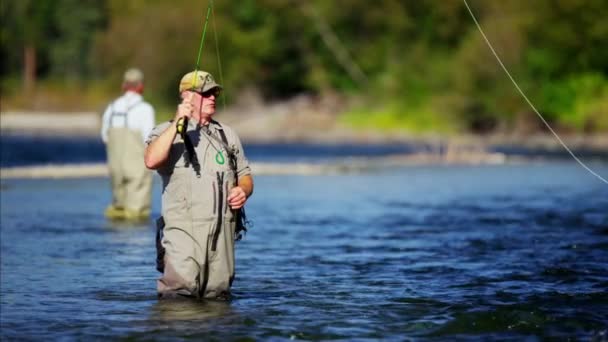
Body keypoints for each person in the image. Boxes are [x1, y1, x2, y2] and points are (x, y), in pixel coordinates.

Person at [144, 70, 254, 300]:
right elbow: (151, 160)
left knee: (219, 302)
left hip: (222, 238)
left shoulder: (227, 135)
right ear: (186, 97)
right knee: (178, 303)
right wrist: (177, 123)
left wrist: (242, 190)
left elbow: (245, 175)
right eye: (206, 93)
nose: (213, 97)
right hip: (183, 237)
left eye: (214, 92)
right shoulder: (165, 132)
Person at [101, 68, 156, 221]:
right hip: (137, 167)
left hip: (115, 166)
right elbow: (149, 138)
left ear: (124, 86)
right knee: (137, 214)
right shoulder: (145, 109)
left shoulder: (111, 107)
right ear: (141, 87)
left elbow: (105, 137)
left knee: (118, 210)